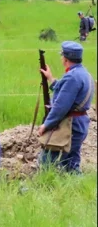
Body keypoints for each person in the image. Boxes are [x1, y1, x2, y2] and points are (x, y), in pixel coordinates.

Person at [38, 41, 94, 173]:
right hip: (79, 124)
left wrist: (46, 125)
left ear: (65, 58)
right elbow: (67, 92)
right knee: (71, 164)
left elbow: (60, 107)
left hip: (69, 126)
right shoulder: (84, 74)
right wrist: (51, 79)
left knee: (47, 161)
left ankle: (45, 186)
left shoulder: (72, 77)